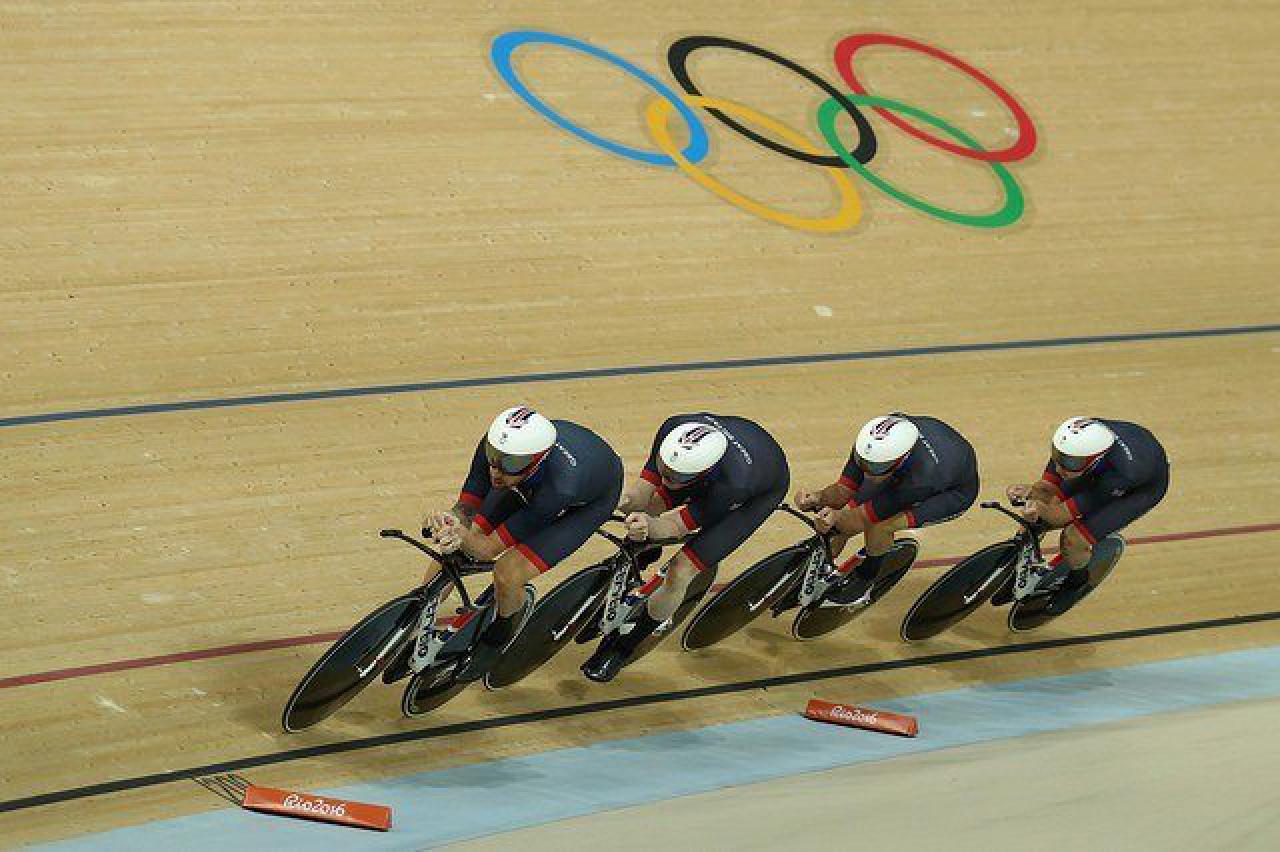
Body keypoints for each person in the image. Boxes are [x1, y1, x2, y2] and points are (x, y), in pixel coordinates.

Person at [581, 414, 790, 682]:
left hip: (756, 492)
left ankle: (623, 648)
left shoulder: (735, 483)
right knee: (648, 507)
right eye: (665, 468)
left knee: (680, 571)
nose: (667, 479)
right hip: (713, 462)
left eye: (677, 476)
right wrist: (618, 501)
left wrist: (650, 527)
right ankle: (638, 560)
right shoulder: (672, 431)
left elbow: (677, 526)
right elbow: (641, 494)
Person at [424, 405, 623, 681]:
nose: (496, 471)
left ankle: (500, 636)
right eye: (493, 458)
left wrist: (462, 535)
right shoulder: (499, 451)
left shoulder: (561, 487)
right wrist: (451, 521)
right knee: (458, 542)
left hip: (587, 501)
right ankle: (419, 608)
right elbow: (466, 511)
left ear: (538, 460)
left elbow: (487, 549)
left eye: (510, 464)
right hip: (535, 481)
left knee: (507, 574)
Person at [793, 413, 979, 605]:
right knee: (839, 524)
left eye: (875, 467)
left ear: (901, 459)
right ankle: (810, 569)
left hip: (950, 492)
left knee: (879, 525)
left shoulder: (922, 478)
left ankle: (867, 579)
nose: (867, 471)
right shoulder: (870, 446)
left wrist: (836, 519)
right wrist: (818, 497)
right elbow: (842, 492)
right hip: (912, 467)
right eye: (864, 463)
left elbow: (860, 519)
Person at [1004, 417, 1169, 609]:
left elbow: (1061, 515)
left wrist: (1040, 508)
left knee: (1073, 538)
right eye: (1058, 456)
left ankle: (1077, 582)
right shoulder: (1073, 443)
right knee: (1043, 495)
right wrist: (1029, 492)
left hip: (1139, 489)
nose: (1059, 468)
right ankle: (1014, 559)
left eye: (1068, 462)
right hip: (1106, 463)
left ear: (1095, 459)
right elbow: (1047, 487)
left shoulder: (1124, 473)